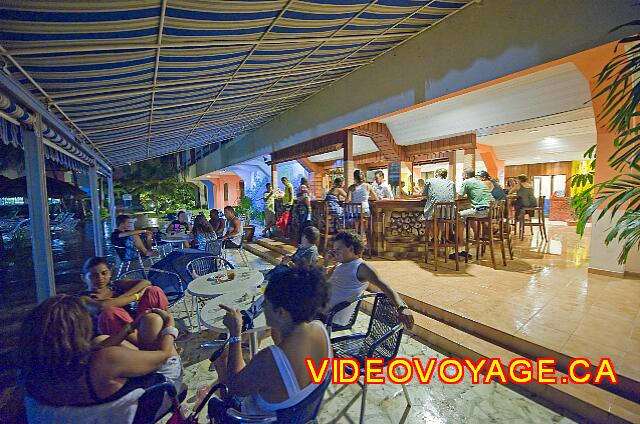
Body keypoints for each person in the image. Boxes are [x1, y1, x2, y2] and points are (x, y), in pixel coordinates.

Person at [208, 266, 331, 421]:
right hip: (299, 411)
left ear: (281, 312)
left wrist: (235, 333)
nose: (263, 307)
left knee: (221, 361)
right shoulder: (320, 330)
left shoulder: (270, 359)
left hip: (259, 418)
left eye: (265, 303)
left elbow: (235, 386)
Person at [21, 295, 182, 411]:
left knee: (100, 341)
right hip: (160, 391)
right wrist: (170, 326)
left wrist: (131, 326)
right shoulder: (105, 361)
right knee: (154, 321)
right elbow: (163, 355)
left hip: (94, 402)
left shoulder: (33, 377)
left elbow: (97, 348)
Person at [324, 232, 414, 329]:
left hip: (331, 317)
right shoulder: (340, 264)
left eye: (339, 249)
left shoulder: (361, 267)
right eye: (334, 250)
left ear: (351, 248)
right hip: (321, 310)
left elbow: (385, 286)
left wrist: (402, 307)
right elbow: (323, 280)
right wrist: (326, 262)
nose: (335, 252)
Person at [80, 256, 170, 339]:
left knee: (154, 291)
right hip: (118, 336)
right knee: (109, 312)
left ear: (110, 273)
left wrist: (122, 297)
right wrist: (136, 296)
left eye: (104, 273)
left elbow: (146, 283)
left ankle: (165, 331)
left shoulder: (115, 285)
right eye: (94, 275)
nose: (100, 278)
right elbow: (102, 306)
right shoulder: (84, 298)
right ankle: (149, 345)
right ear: (83, 278)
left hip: (134, 323)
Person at [295, 177, 312, 242]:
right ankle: (301, 239)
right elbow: (305, 198)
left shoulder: (300, 187)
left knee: (302, 223)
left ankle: (301, 239)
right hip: (304, 207)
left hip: (301, 207)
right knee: (304, 223)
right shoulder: (303, 187)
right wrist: (309, 207)